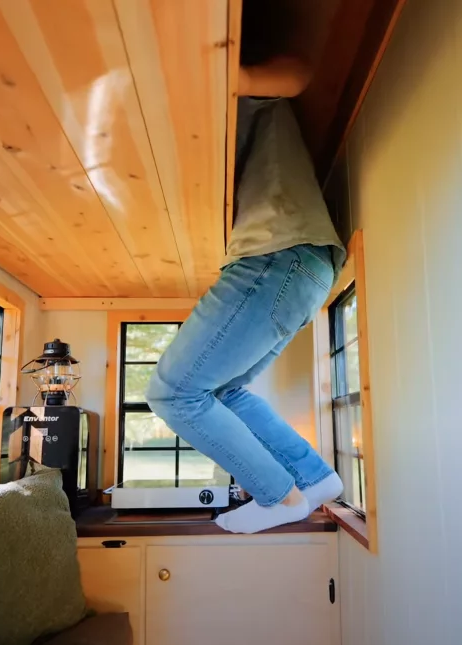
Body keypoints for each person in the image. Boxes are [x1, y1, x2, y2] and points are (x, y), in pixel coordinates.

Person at [146, 3, 345, 534]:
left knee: (172, 393)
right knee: (224, 392)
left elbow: (295, 73)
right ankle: (314, 477)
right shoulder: (232, 117)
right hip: (302, 266)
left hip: (278, 256)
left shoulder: (244, 89)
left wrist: (196, 74)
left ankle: (279, 496)